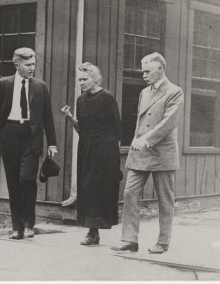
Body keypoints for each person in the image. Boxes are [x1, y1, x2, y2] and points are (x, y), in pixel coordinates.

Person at [111, 52, 184, 254]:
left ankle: (163, 242)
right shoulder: (145, 92)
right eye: (142, 71)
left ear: (160, 69)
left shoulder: (175, 92)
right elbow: (141, 122)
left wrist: (146, 140)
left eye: (147, 71)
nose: (143, 75)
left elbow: (168, 122)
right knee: (130, 192)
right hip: (141, 153)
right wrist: (138, 140)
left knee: (165, 199)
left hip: (162, 153)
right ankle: (129, 240)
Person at [0, 47, 58, 240]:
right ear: (16, 64)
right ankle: (17, 227)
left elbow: (48, 117)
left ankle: (29, 224)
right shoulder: (3, 84)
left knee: (27, 180)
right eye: (28, 65)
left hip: (31, 136)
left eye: (33, 64)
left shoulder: (40, 86)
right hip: (9, 134)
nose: (32, 68)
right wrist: (0, 130)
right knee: (13, 182)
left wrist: (52, 143)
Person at [61, 62, 121, 246]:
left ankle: (95, 230)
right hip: (86, 148)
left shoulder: (107, 98)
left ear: (95, 78)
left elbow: (117, 129)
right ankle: (91, 231)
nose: (81, 83)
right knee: (87, 188)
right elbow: (82, 129)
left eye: (84, 79)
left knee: (99, 188)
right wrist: (70, 117)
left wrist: (114, 157)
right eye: (79, 79)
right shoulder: (81, 100)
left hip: (105, 150)